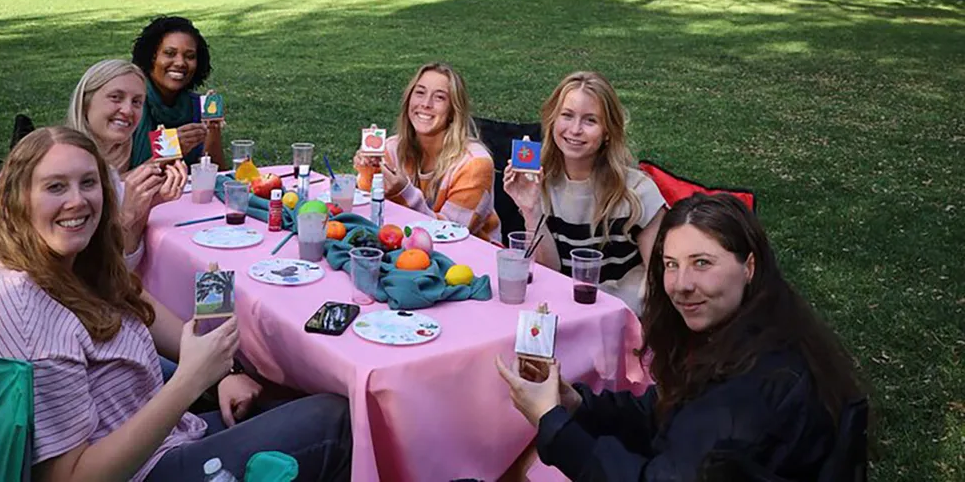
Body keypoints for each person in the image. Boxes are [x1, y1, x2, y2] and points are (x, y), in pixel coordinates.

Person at [0, 127, 352, 481]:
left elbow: (141, 310)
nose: (77, 201)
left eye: (88, 183)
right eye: (55, 187)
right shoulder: (25, 310)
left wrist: (222, 371)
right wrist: (189, 382)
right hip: (143, 470)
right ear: (17, 198)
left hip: (170, 436)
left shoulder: (72, 264)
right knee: (339, 421)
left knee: (287, 393)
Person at [495, 193, 866, 480]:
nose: (681, 285)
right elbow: (667, 412)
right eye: (671, 265)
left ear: (748, 266)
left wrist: (552, 421)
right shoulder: (748, 335)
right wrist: (578, 405)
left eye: (702, 263)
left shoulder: (750, 390)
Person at [0, 60, 188, 269]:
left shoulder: (108, 175)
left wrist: (143, 209)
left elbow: (123, 266)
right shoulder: (45, 169)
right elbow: (72, 275)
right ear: (85, 101)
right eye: (115, 97)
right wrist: (127, 216)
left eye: (137, 102)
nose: (128, 110)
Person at [502, 72, 665, 314]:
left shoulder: (638, 193)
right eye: (566, 116)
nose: (575, 129)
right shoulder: (541, 184)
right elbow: (550, 272)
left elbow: (662, 277)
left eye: (590, 121)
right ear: (552, 121)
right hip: (565, 313)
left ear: (607, 132)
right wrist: (531, 210)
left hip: (626, 318)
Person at [354, 62, 501, 242]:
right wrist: (368, 172)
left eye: (439, 97)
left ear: (453, 111)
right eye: (420, 93)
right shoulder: (391, 148)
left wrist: (404, 192)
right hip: (402, 247)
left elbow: (449, 234)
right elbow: (368, 212)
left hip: (472, 258)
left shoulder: (475, 164)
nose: (425, 104)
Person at [130, 16, 227, 170]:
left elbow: (217, 173)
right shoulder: (131, 105)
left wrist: (213, 129)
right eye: (169, 53)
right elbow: (114, 181)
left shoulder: (196, 106)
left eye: (190, 56)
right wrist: (171, 148)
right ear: (151, 57)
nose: (180, 63)